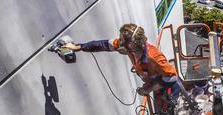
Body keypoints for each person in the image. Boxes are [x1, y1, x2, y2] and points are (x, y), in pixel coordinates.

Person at [62, 24, 190, 107]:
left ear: (133, 44)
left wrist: (149, 89)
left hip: (168, 86)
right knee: (159, 108)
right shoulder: (129, 47)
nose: (119, 41)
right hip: (152, 80)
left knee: (167, 112)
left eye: (122, 40)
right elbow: (103, 45)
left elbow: (171, 77)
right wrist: (78, 47)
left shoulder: (154, 56)